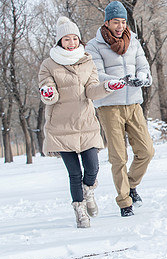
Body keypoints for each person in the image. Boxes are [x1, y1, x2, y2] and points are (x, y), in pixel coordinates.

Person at [38, 16, 125, 228]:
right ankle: (80, 212)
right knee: (74, 173)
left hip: (86, 124)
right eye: (66, 39)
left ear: (79, 40)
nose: (71, 43)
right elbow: (49, 93)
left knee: (92, 168)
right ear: (60, 41)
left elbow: (91, 90)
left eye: (74, 39)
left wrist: (107, 87)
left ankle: (89, 192)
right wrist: (48, 93)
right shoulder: (48, 64)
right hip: (61, 127)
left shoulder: (87, 61)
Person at [85, 1, 155, 217]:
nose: (120, 26)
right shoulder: (94, 46)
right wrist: (120, 81)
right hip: (109, 105)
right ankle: (124, 201)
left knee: (146, 151)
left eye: (123, 22)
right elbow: (96, 74)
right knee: (118, 156)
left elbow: (144, 67)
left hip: (133, 103)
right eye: (116, 22)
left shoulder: (133, 41)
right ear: (107, 22)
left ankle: (131, 185)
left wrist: (142, 78)